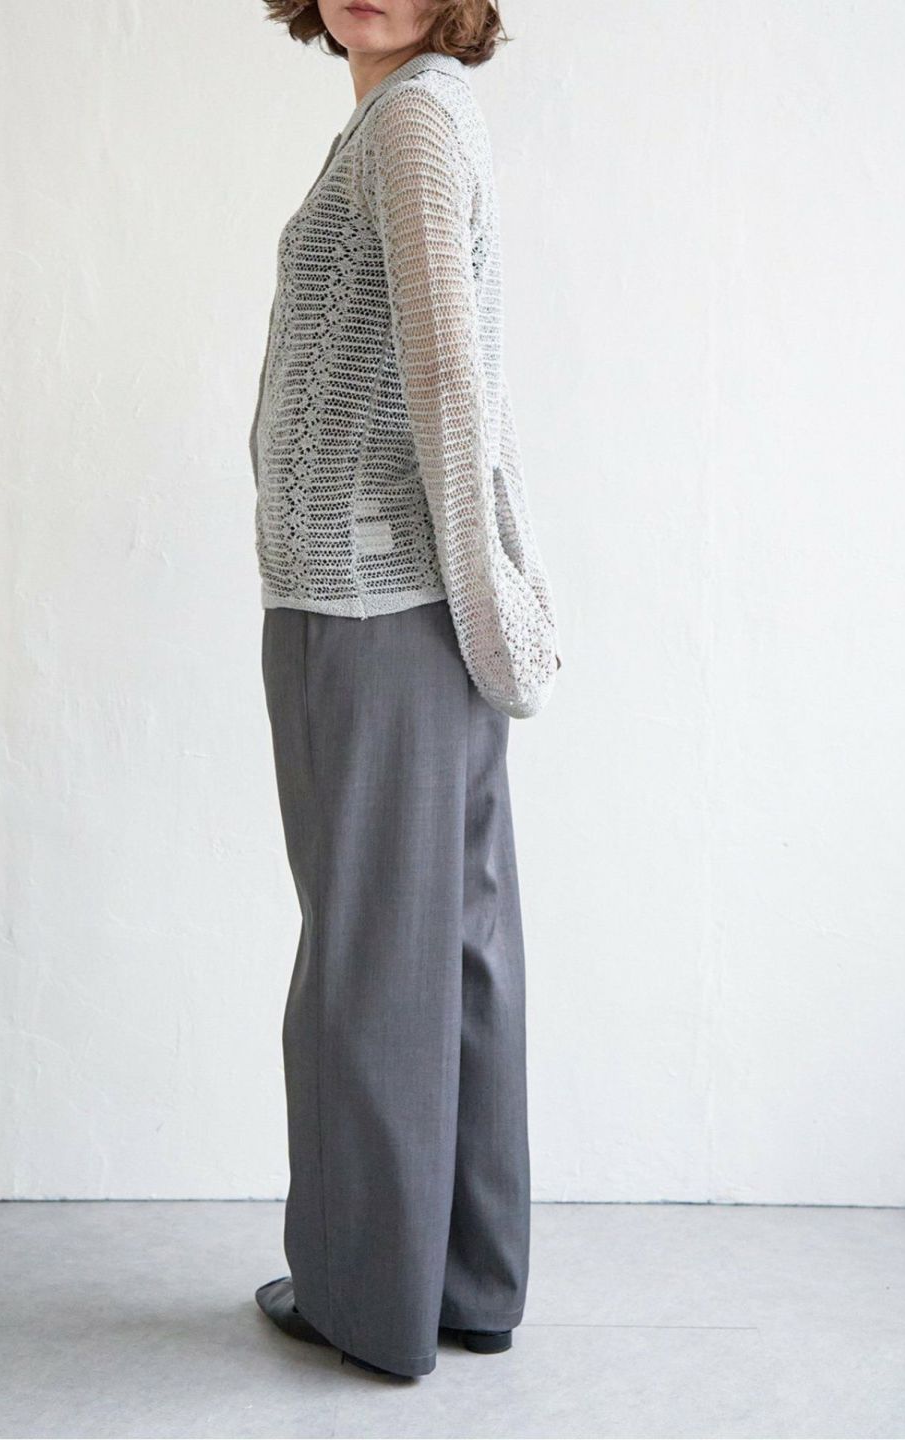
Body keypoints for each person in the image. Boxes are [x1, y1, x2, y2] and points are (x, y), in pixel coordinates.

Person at [249, 0, 562, 1380]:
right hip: (420, 605)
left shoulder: (411, 124)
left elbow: (448, 375)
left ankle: (366, 1304)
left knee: (369, 965)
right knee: (455, 943)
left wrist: (487, 608)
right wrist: (489, 598)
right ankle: (467, 1280)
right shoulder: (417, 116)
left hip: (369, 610)